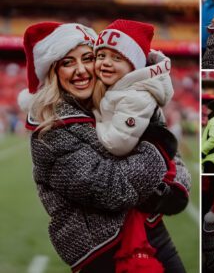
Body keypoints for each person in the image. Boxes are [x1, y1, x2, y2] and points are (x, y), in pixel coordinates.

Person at [18, 21, 191, 273]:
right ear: (53, 73)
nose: (80, 70)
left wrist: (170, 186)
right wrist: (157, 150)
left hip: (149, 229)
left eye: (87, 58)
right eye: (67, 63)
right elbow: (112, 189)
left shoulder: (119, 102)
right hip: (102, 249)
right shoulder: (50, 131)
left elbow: (176, 165)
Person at [92, 19, 177, 158]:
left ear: (134, 65)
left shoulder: (136, 96)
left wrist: (93, 119)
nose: (106, 62)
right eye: (101, 56)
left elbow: (117, 144)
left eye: (117, 57)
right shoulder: (119, 88)